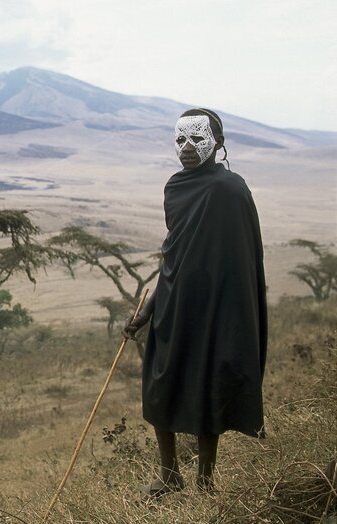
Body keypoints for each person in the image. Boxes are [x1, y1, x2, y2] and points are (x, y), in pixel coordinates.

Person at [123, 108, 267, 496]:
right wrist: (149, 308)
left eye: (197, 139)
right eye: (180, 139)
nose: (187, 148)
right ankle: (169, 474)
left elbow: (240, 262)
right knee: (159, 385)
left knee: (208, 386)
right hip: (173, 305)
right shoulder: (175, 187)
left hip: (216, 309)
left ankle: (205, 481)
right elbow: (175, 257)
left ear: (218, 144)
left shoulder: (230, 190)